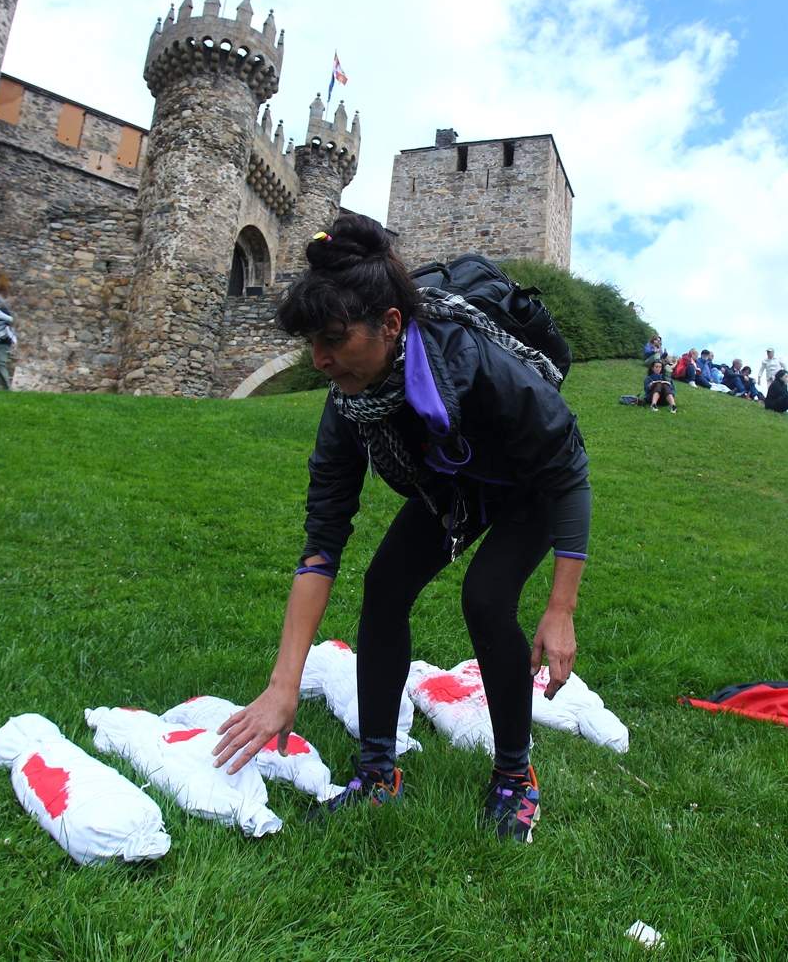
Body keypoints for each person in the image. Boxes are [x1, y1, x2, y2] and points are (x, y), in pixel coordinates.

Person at [211, 215, 590, 843]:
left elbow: (568, 469)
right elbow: (322, 543)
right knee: (385, 587)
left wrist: (561, 607)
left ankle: (515, 778)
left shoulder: (477, 361)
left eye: (334, 338)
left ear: (390, 324)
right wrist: (282, 687)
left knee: (487, 597)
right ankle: (378, 773)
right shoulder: (347, 402)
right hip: (455, 485)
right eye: (313, 342)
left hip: (532, 487)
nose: (321, 359)